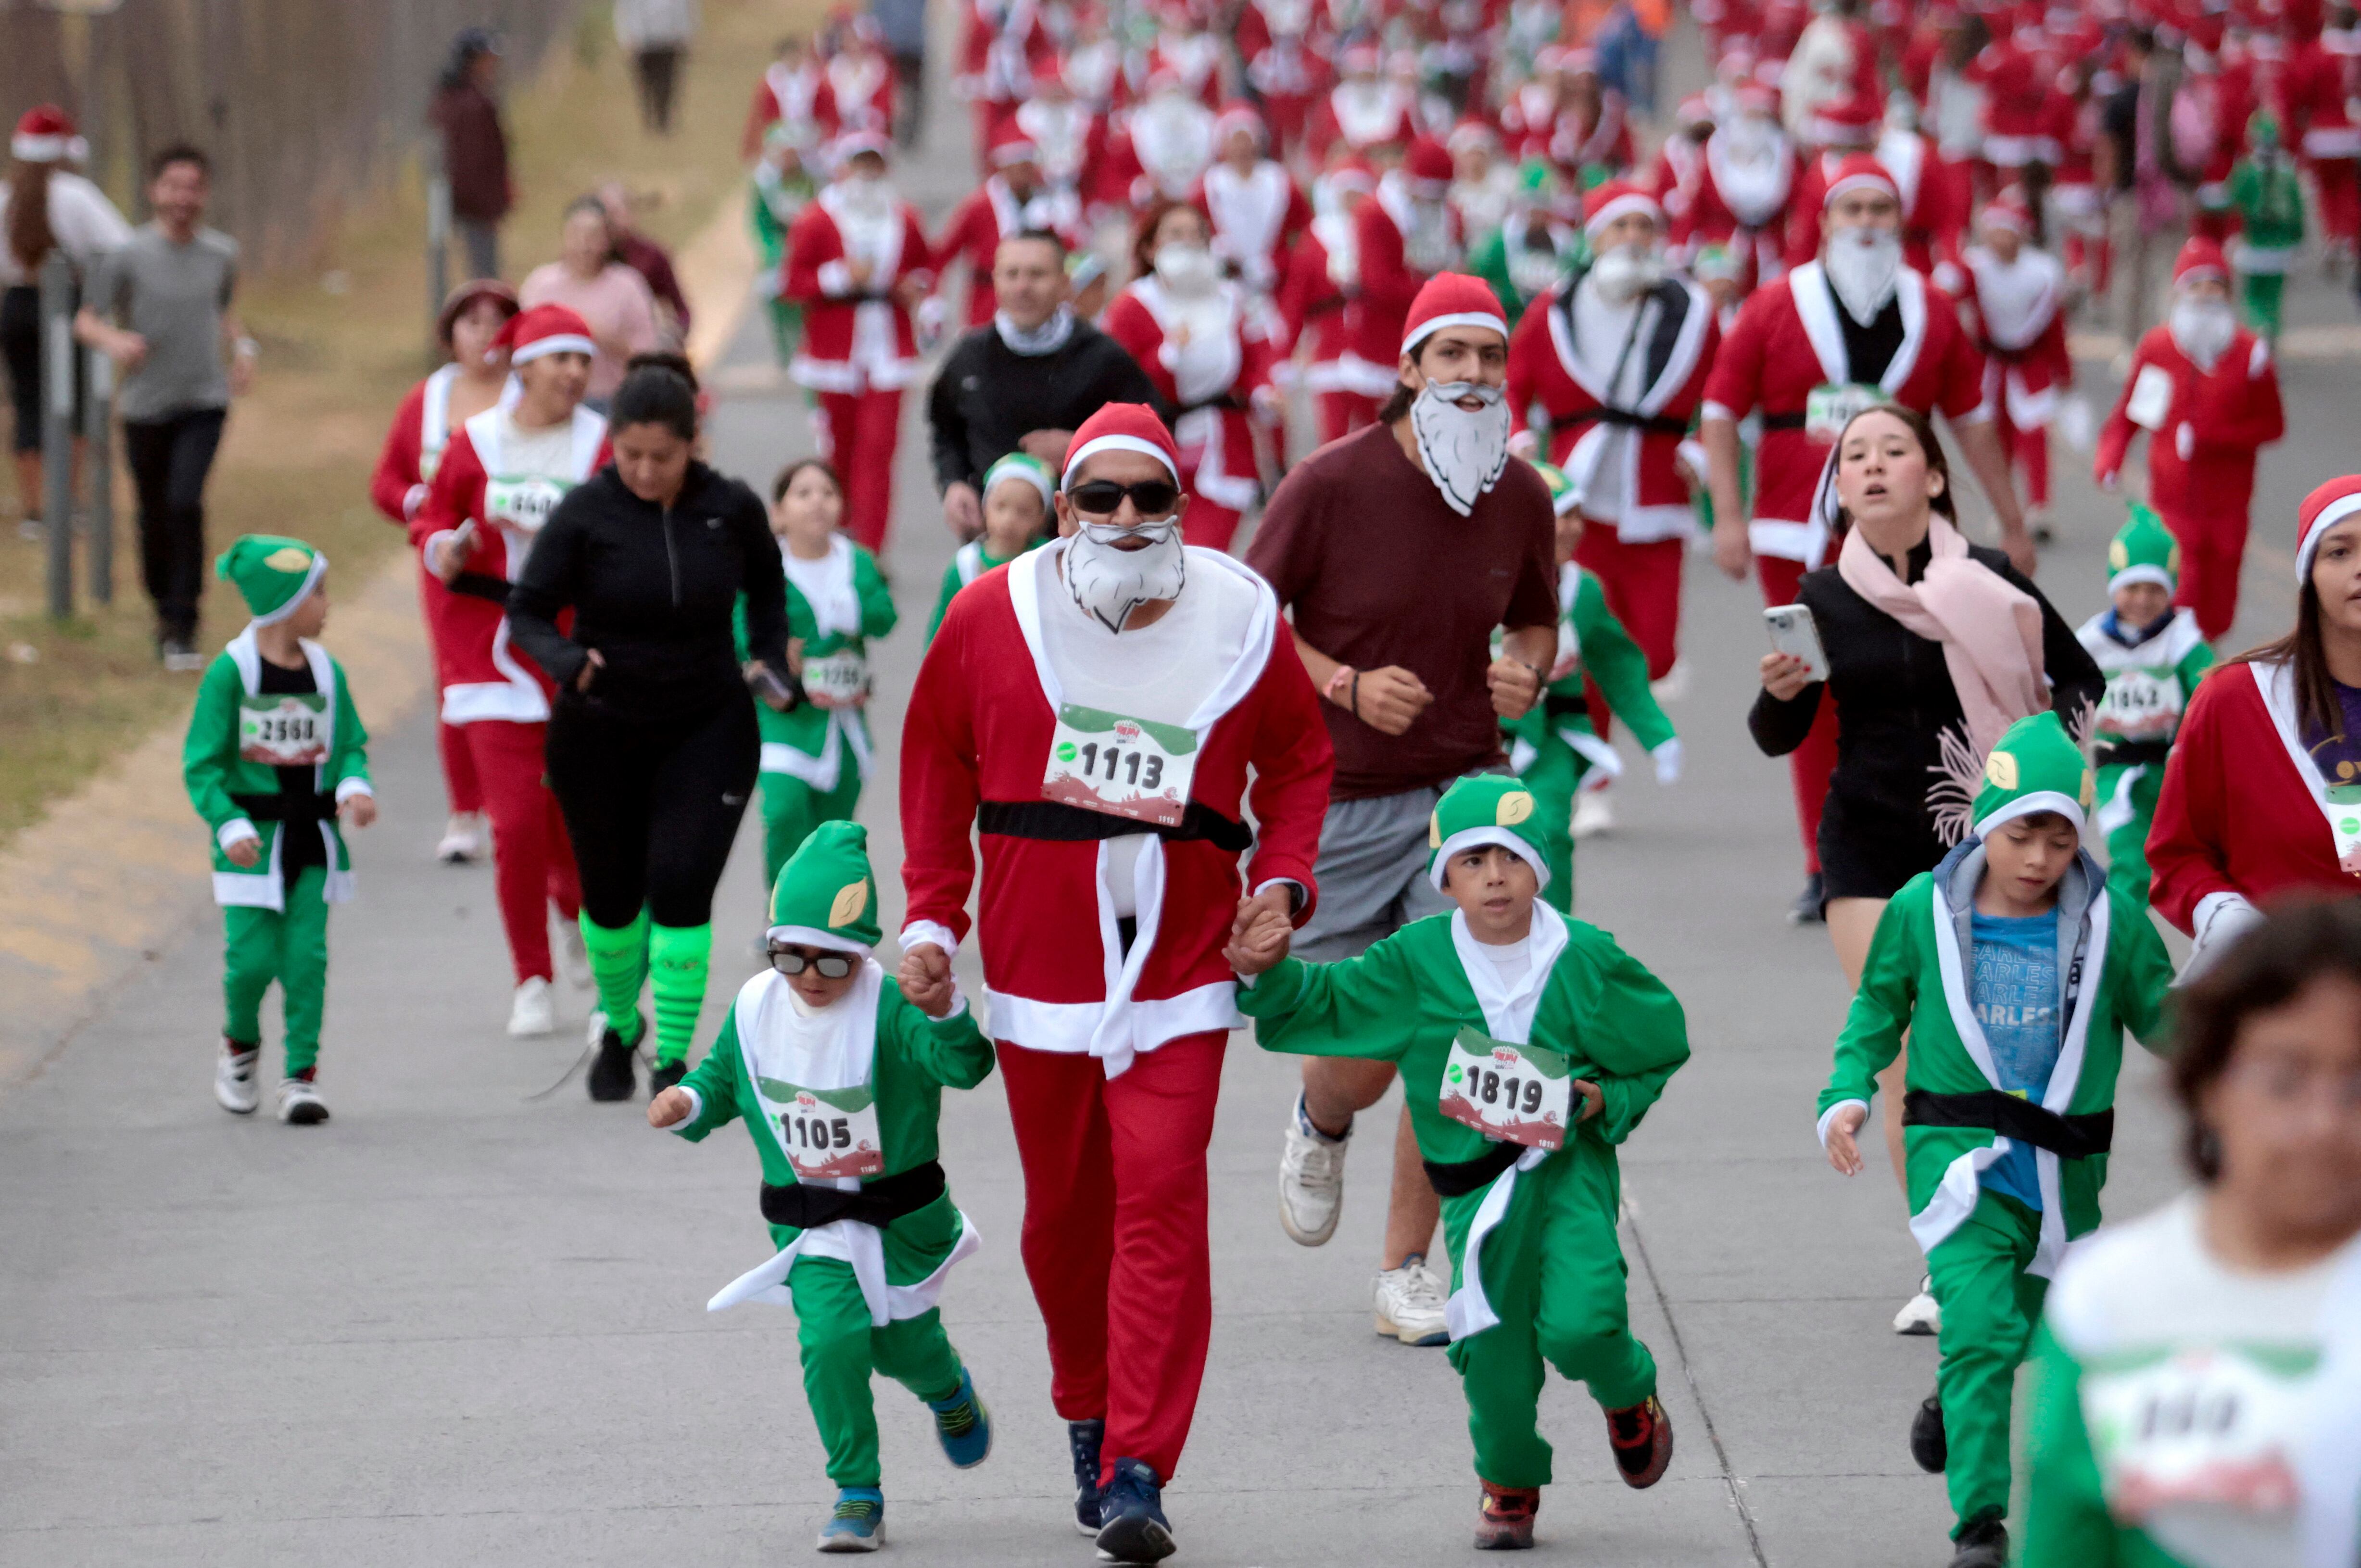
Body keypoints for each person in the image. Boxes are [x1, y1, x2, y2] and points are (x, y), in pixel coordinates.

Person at [897, 403, 1331, 1561]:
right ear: (1064, 506)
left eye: (1151, 496)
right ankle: (1085, 1408)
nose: (1128, 518)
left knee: (1158, 1192)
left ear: (1181, 503)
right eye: (1103, 497)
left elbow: (1297, 757)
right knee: (1062, 1219)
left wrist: (1281, 884)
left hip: (1185, 962)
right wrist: (935, 908)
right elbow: (934, 752)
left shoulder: (1240, 613)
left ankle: (1140, 1460)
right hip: (1040, 966)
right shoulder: (993, 610)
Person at [1228, 772, 1685, 1551]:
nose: (1493, 878)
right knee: (1490, 1352)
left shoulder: (1583, 957)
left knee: (1582, 1322)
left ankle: (1628, 1391)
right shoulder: (1415, 959)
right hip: (1474, 1197)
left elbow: (1660, 1040)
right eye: (1470, 862)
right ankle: (1507, 1483)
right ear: (1442, 877)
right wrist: (1264, 970)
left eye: (1509, 858)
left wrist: (1604, 1100)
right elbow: (1329, 1001)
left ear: (1538, 866)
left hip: (1562, 1172)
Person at [1246, 274, 1556, 1349]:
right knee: (1361, 1052)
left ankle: (1405, 1271)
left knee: (1449, 1033)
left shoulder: (1519, 495)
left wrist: (1526, 671)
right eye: (1452, 356)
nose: (1473, 376)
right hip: (1338, 798)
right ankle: (1321, 1114)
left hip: (1464, 801)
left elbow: (1536, 625)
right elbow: (1251, 621)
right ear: (1409, 368)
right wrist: (1343, 684)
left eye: (1489, 357)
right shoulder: (1330, 483)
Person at [1752, 405, 2101, 1333]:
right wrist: (1781, 691)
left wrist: (2037, 773)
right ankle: (1946, 1259)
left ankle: (2028, 1237)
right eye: (1853, 456)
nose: (1870, 467)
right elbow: (1773, 735)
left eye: (1892, 452)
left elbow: (2077, 678)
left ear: (1932, 477)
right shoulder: (1821, 599)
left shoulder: (1989, 580)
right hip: (1867, 845)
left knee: (2008, 1054)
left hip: (1983, 848)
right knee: (1913, 1058)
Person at [1816, 709, 2174, 1568]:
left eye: (2059, 840)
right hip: (1958, 1162)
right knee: (1975, 1328)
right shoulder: (1920, 909)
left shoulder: (2112, 924)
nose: (2038, 861)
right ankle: (1977, 1526)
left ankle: (1956, 1397)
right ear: (1986, 822)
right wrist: (1844, 1093)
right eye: (2021, 835)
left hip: (2061, 1169)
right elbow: (1875, 1007)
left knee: (2044, 1335)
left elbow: (2171, 1023)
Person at [647, 821, 996, 1553]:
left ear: (861, 954)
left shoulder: (892, 1005)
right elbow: (721, 1079)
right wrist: (688, 1104)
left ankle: (948, 1390)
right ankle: (856, 1491)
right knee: (832, 1339)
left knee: (903, 1346)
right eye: (789, 955)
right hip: (810, 1224)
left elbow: (964, 1068)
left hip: (900, 1219)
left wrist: (948, 1015)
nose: (809, 976)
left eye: (832, 962)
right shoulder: (755, 1006)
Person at [1703, 153, 2030, 925]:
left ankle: (1934, 842)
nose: (1866, 225)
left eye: (1880, 211)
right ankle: (1826, 861)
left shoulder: (1933, 310)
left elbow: (1971, 420)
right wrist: (1725, 513)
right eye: (1851, 211)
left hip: (1911, 531)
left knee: (1924, 679)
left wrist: (2011, 519)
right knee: (1810, 685)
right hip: (1795, 528)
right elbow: (1720, 409)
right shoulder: (1776, 304)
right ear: (1822, 223)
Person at [2021, 898, 2361, 1568]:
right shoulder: (2107, 1302)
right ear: (2207, 1085)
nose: (2323, 1122)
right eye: (2283, 1080)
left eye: (2357, 1087)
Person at [507, 360, 791, 1102]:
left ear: (693, 445)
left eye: (660, 458)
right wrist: (570, 663)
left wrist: (765, 655)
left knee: (679, 888)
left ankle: (671, 1057)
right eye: (627, 455)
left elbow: (767, 582)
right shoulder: (584, 513)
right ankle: (616, 1022)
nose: (641, 470)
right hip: (600, 728)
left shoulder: (731, 509)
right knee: (610, 900)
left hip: (708, 725)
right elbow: (527, 611)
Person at [413, 304, 604, 1039]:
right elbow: (432, 521)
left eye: (585, 363)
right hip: (488, 652)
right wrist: (446, 551)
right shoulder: (476, 442)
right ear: (522, 368)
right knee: (518, 825)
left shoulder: (600, 444)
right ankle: (532, 977)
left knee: (576, 826)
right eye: (562, 360)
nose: (576, 375)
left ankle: (580, 924)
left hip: (574, 654)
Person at [1504, 180, 1716, 838]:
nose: (1632, 241)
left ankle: (1588, 748)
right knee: (1583, 638)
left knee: (1649, 651)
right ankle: (1587, 777)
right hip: (1576, 504)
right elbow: (1515, 384)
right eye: (1618, 228)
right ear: (1593, 240)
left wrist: (1706, 453)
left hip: (1655, 500)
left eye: (1643, 229)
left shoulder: (1691, 314)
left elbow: (1725, 395)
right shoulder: (1552, 311)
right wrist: (1518, 445)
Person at [183, 536, 376, 1126]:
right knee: (250, 962)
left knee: (304, 960)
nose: (327, 603)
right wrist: (228, 821)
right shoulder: (230, 673)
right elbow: (203, 764)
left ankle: (301, 1075)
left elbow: (348, 747)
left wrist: (353, 787)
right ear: (283, 600)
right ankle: (240, 1046)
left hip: (314, 843)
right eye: (316, 591)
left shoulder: (327, 671)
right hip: (249, 846)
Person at [2147, 474, 2361, 975]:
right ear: (2308, 572)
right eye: (2339, 552)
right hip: (2284, 999)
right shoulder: (2235, 699)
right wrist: (2228, 919)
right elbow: (2177, 855)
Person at [76, 143, 252, 671]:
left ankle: (185, 622)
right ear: (155, 191)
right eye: (173, 186)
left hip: (204, 400)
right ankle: (163, 611)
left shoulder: (221, 254)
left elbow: (223, 313)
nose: (183, 198)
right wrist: (114, 342)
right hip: (144, 405)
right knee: (154, 512)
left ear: (204, 194)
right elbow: (87, 319)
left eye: (193, 187)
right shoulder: (128, 255)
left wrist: (244, 351)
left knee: (185, 501)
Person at [369, 279, 519, 867]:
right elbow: (385, 484)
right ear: (449, 333)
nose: (484, 334)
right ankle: (466, 810)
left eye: (497, 322)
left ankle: (525, 799)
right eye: (471, 321)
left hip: (521, 564)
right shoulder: (425, 402)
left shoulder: (529, 398)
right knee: (458, 683)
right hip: (449, 572)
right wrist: (422, 506)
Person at [2093, 238, 2285, 644]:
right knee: (2181, 599)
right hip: (2171, 502)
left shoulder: (2250, 355)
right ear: (2178, 293)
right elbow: (2130, 413)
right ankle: (2183, 692)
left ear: (2227, 294)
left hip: (2228, 505)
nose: (2203, 297)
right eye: (2194, 286)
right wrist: (2110, 457)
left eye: (2213, 287)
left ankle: (2201, 672)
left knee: (2217, 611)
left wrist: (2217, 438)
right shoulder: (2158, 349)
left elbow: (2272, 426)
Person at [1508, 462, 1679, 909]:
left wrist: (1656, 735)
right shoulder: (1480, 584)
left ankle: (1556, 939)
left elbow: (1618, 665)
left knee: (1548, 830)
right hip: (1480, 741)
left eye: (1575, 516)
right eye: (1556, 516)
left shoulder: (1584, 591)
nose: (1569, 529)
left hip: (1553, 738)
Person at [925, 229, 1165, 541]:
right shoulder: (968, 357)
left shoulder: (1102, 357)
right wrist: (954, 483)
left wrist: (1082, 447)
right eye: (1012, 274)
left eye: (1037, 274)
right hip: (996, 546)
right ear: (995, 281)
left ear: (1065, 284)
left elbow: (1152, 430)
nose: (1022, 287)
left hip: (1084, 543)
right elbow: (945, 431)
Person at [748, 458, 897, 896]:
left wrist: (853, 608)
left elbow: (885, 618)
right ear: (778, 512)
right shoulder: (764, 564)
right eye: (803, 493)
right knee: (783, 811)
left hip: (843, 720)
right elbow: (738, 625)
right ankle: (781, 907)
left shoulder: (858, 561)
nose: (817, 502)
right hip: (784, 716)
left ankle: (826, 919)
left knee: (833, 830)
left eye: (828, 493)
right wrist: (769, 651)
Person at [1101, 200, 1282, 553]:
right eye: (1175, 234)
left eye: (1196, 234)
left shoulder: (1231, 298)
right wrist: (1168, 354)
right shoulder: (1131, 306)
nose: (1188, 242)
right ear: (1151, 247)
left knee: (1204, 557)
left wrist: (1264, 390)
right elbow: (1117, 380)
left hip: (1222, 446)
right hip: (1153, 451)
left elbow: (1255, 356)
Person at [783, 132, 935, 554]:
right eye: (859, 163)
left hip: (888, 348)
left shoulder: (904, 217)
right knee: (839, 450)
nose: (867, 173)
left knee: (879, 449)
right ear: (842, 168)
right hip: (833, 352)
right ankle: (837, 540)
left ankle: (871, 550)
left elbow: (926, 267)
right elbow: (791, 282)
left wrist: (916, 290)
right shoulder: (816, 219)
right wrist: (837, 276)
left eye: (875, 164)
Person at [2075, 504, 2214, 910]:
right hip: (2116, 773)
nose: (2142, 599)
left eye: (2155, 589)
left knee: (2179, 865)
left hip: (2174, 773)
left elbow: (2209, 687)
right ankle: (2116, 941)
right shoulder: (2091, 642)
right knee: (2131, 863)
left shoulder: (2181, 638)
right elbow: (2059, 688)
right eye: (2131, 588)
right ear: (2113, 587)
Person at [1, 106, 129, 542]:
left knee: (29, 403)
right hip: (70, 309)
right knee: (69, 404)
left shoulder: (5, 197)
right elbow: (121, 245)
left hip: (17, 307)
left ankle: (34, 510)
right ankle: (68, 503)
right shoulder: (75, 195)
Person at [1957, 190, 2069, 545]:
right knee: (1997, 437)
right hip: (1988, 365)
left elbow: (2054, 327)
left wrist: (2063, 371)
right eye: (1996, 232)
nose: (2002, 240)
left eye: (2009, 232)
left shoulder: (2042, 273)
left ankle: (2039, 506)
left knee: (2034, 433)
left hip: (2028, 363)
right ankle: (2004, 509)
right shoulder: (1973, 268)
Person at [519, 197, 662, 407]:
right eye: (576, 234)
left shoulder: (628, 286)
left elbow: (647, 356)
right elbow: (520, 346)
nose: (584, 245)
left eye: (593, 236)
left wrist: (594, 332)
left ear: (607, 240)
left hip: (611, 400)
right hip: (549, 402)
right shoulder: (541, 285)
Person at [932, 131, 1072, 329]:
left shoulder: (1048, 205)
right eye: (1020, 166)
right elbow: (943, 253)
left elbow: (1070, 250)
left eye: (1029, 165)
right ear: (1004, 167)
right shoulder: (979, 206)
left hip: (1036, 298)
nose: (1027, 172)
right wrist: (934, 300)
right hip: (987, 299)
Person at [924, 450, 1051, 645]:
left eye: (1024, 512)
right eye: (1001, 507)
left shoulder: (1047, 562)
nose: (1009, 520)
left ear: (1041, 519)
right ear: (985, 506)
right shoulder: (965, 565)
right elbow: (942, 628)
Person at [1197, 103, 1312, 297]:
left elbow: (1304, 232)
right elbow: (1196, 230)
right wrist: (1216, 253)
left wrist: (1278, 262)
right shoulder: (1207, 188)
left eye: (1247, 139)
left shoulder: (1281, 182)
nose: (1242, 147)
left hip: (1278, 284)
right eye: (1235, 140)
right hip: (1226, 286)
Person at [430, 28, 512, 281]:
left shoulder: (455, 99)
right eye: (488, 60)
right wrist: (486, 206)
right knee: (483, 274)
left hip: (465, 202)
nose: (493, 67)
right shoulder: (471, 105)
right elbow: (473, 162)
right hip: (472, 204)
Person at [2228, 109, 2305, 341]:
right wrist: (2298, 240)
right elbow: (2298, 211)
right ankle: (2271, 330)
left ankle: (2257, 329)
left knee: (2253, 295)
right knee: (2274, 295)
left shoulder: (2246, 170)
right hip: (2281, 246)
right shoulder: (2288, 170)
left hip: (2253, 243)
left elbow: (2231, 200)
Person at [748, 123, 817, 369]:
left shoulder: (812, 182)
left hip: (807, 251)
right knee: (775, 298)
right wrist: (773, 249)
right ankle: (785, 351)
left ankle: (806, 348)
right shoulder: (765, 185)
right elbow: (759, 223)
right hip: (778, 251)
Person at [597, 184, 691, 345]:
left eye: (615, 212)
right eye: (603, 214)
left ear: (630, 212)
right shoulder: (591, 260)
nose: (610, 221)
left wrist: (671, 338)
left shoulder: (652, 255)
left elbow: (681, 310)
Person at [614, 0, 697, 136]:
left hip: (669, 39)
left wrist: (686, 34)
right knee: (646, 81)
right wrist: (625, 37)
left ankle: (663, 119)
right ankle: (650, 118)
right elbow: (624, 9)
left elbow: (686, 8)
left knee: (667, 82)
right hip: (642, 40)